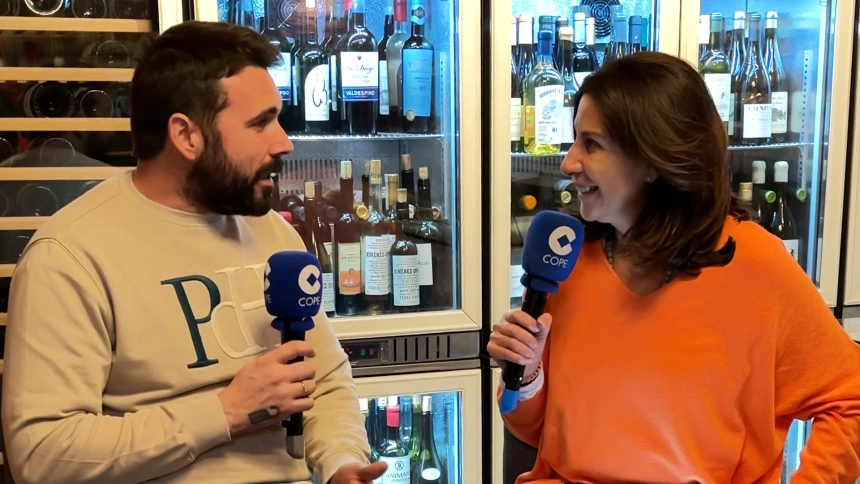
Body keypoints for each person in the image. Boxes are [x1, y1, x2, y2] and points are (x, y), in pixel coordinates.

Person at [1, 21, 386, 484]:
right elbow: (42, 456)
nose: (284, 141)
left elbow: (323, 381)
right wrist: (225, 412)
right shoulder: (70, 256)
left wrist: (342, 462)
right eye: (260, 123)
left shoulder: (272, 233)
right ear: (186, 135)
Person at [488, 51, 860, 483]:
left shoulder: (756, 265)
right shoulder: (565, 261)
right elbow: (531, 431)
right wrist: (528, 373)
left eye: (591, 144)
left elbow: (850, 399)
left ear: (653, 160)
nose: (568, 163)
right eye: (575, 140)